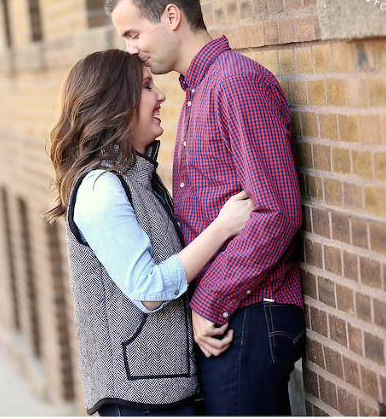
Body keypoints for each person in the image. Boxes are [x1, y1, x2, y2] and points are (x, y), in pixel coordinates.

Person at [105, 0, 306, 415]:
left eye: (134, 34)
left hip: (252, 310)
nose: (131, 50)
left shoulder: (237, 84)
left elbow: (278, 212)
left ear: (171, 17)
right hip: (229, 313)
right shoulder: (199, 91)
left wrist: (210, 300)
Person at [44, 49, 254, 416]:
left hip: (167, 392)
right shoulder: (100, 188)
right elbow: (150, 289)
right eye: (145, 87)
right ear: (116, 103)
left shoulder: (139, 179)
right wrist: (223, 227)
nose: (160, 96)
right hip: (138, 403)